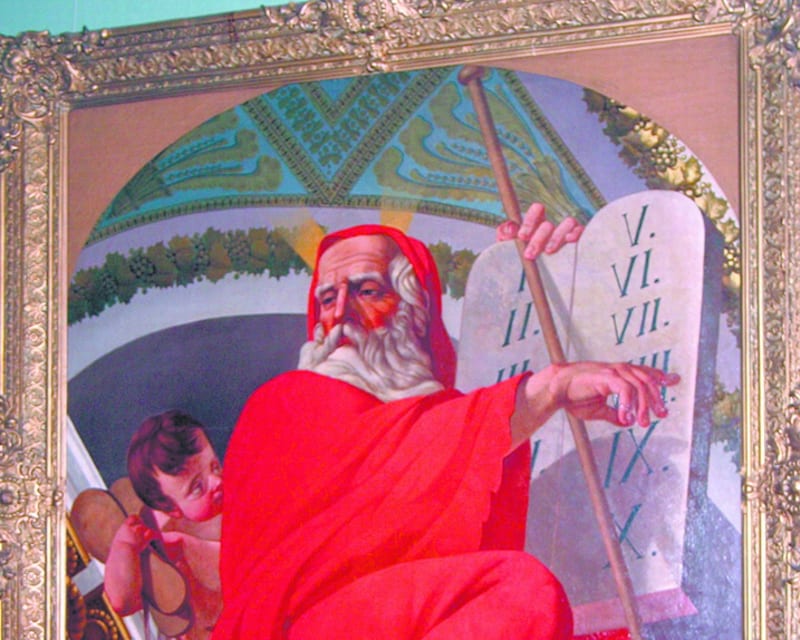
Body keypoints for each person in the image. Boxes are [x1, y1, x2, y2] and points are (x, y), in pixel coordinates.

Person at [213, 204, 679, 639]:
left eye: (367, 291)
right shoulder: (285, 400)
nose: (339, 315)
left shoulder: (455, 421)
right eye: (328, 298)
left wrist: (559, 288)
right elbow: (406, 469)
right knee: (519, 593)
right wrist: (546, 389)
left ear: (416, 313)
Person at [104, 410, 224, 639]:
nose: (217, 481)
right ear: (171, 509)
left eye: (215, 466)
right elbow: (121, 602)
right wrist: (124, 547)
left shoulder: (239, 494)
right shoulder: (169, 543)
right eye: (197, 487)